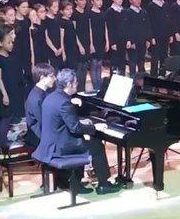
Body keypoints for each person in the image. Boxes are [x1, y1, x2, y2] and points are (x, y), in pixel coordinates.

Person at [32, 68, 119, 196]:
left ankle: (76, 183)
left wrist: (81, 123)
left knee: (85, 142)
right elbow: (75, 128)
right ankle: (104, 185)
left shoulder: (52, 97)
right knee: (96, 146)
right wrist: (95, 127)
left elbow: (65, 121)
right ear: (69, 84)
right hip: (60, 147)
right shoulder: (64, 102)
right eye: (76, 83)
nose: (77, 85)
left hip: (50, 143)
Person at [23, 62, 56, 150]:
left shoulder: (42, 93)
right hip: (39, 139)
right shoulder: (36, 98)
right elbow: (44, 121)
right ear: (42, 78)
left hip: (44, 133)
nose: (54, 79)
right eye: (51, 76)